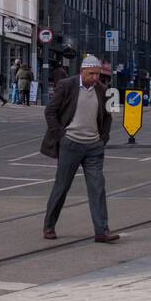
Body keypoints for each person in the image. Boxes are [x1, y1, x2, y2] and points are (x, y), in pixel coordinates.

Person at [41, 54, 120, 243]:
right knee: (62, 186)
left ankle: (102, 231)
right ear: (82, 71)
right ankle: (49, 225)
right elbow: (50, 111)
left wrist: (104, 138)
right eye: (91, 74)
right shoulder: (66, 85)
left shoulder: (103, 90)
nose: (95, 78)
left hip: (94, 146)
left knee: (97, 188)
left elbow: (108, 116)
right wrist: (60, 135)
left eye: (98, 74)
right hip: (70, 143)